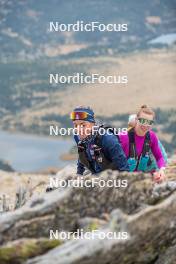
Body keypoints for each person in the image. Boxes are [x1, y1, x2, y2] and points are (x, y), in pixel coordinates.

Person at [70, 106, 129, 175]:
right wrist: (79, 174)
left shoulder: (108, 138)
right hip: (96, 176)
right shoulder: (78, 137)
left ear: (93, 124)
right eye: (75, 125)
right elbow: (81, 154)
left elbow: (124, 169)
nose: (79, 129)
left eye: (83, 125)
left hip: (113, 178)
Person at [119, 105, 167, 183]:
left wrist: (161, 171)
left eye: (149, 122)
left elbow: (159, 157)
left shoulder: (152, 136)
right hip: (123, 181)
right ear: (136, 119)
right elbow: (114, 163)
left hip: (141, 179)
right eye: (143, 121)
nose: (145, 125)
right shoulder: (123, 137)